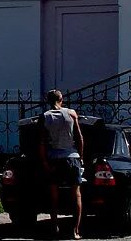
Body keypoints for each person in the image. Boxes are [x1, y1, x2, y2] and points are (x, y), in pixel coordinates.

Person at [40, 89, 84, 239]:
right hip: (72, 157)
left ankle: (55, 228)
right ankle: (75, 230)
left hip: (54, 158)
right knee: (76, 195)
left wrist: (45, 161)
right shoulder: (71, 114)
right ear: (62, 99)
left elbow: (42, 142)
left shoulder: (45, 117)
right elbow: (79, 138)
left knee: (54, 196)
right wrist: (81, 157)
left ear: (48, 101)